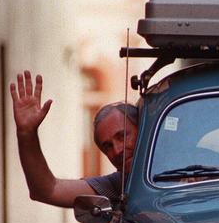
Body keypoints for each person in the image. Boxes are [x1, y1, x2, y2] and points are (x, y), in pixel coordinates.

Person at [10, 70, 138, 208]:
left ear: (140, 129)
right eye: (108, 146)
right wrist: (26, 133)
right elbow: (47, 191)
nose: (118, 150)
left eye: (122, 136)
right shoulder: (118, 186)